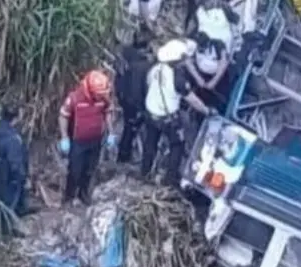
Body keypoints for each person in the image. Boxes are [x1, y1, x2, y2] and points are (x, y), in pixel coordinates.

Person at [142, 39, 212, 186]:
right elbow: (193, 100)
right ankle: (170, 180)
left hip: (150, 112)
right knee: (177, 145)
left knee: (150, 143)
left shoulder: (156, 68)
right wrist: (207, 111)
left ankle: (145, 172)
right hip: (166, 118)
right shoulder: (178, 79)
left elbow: (149, 82)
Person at [58, 70, 114, 206]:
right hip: (78, 141)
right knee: (74, 171)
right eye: (99, 94)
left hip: (95, 140)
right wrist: (64, 137)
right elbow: (63, 116)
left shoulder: (103, 98)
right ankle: (68, 197)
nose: (101, 97)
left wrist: (111, 132)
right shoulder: (75, 98)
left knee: (89, 169)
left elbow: (108, 113)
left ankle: (84, 195)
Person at [0, 103, 33, 238]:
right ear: (16, 117)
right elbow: (15, 162)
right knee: (10, 201)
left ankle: (21, 210)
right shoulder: (12, 139)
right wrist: (23, 178)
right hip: (11, 176)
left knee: (10, 197)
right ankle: (7, 231)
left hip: (1, 171)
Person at [115, 30, 154, 164]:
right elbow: (139, 89)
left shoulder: (125, 55)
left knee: (128, 127)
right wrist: (141, 107)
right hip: (135, 102)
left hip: (123, 97)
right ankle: (124, 156)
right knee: (131, 129)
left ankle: (124, 154)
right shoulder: (144, 66)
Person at [184, 32, 231, 114]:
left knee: (224, 96)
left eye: (202, 48)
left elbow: (223, 63)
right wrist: (198, 78)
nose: (200, 50)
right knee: (206, 97)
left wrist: (214, 81)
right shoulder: (193, 48)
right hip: (203, 76)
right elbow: (188, 63)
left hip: (220, 77)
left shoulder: (218, 44)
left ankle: (225, 109)